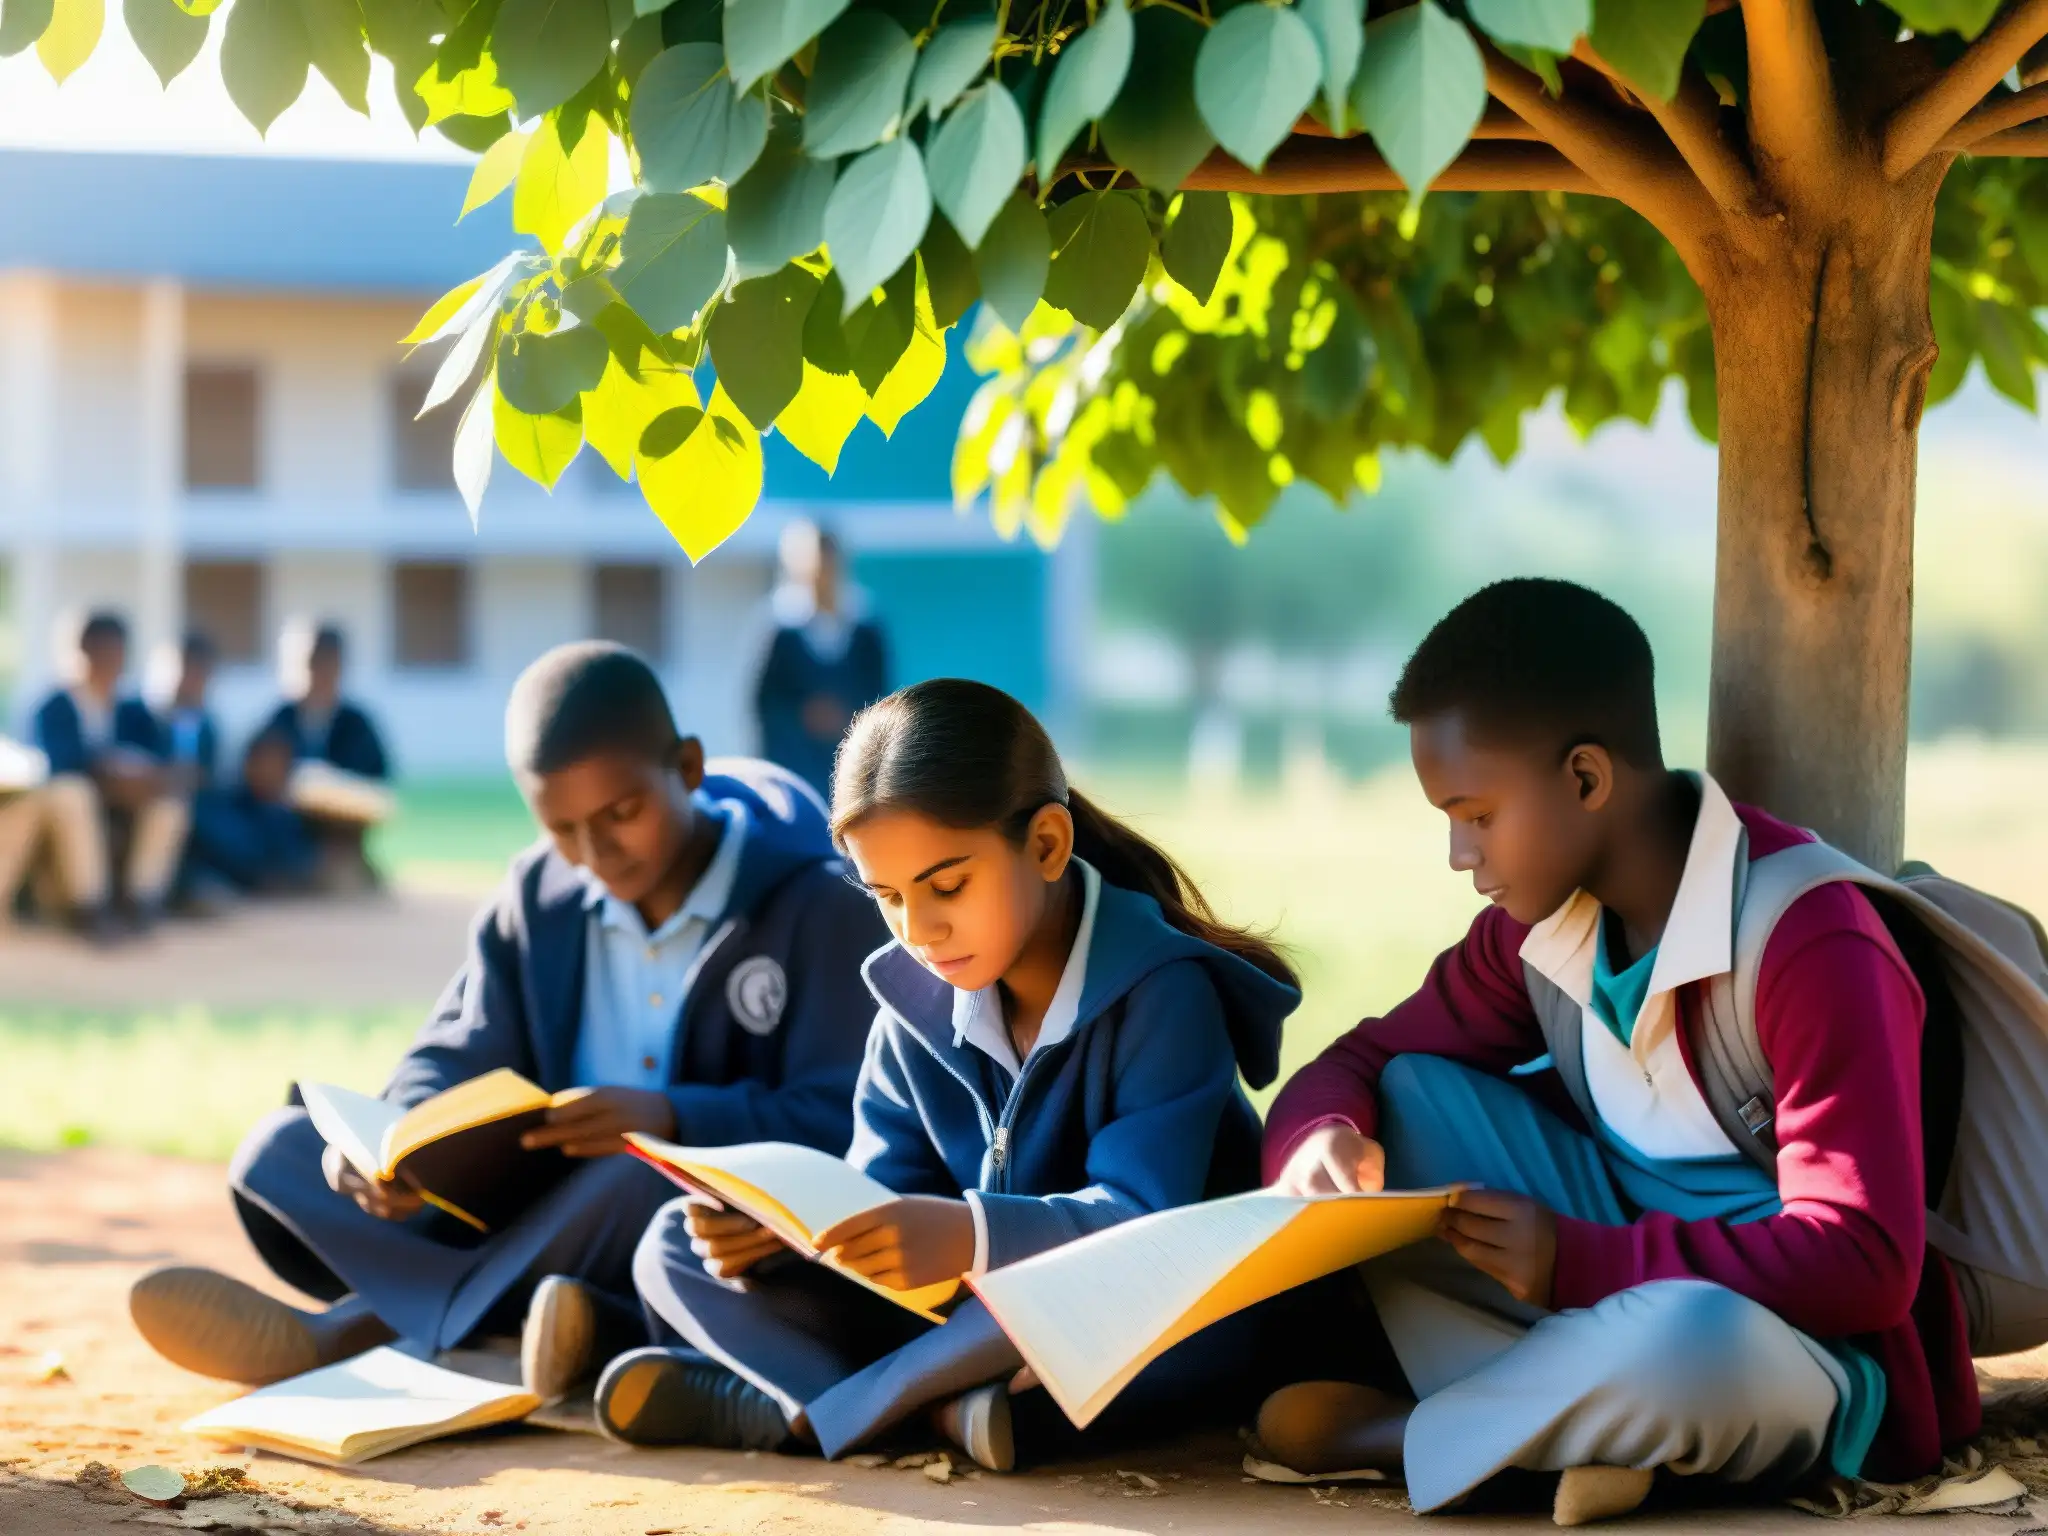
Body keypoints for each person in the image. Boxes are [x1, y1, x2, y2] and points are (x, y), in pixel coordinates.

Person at [1253, 579, 1972, 1525]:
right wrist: (1322, 1133)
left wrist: (1581, 1265)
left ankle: (1406, 1438)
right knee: (1408, 1096)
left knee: (1689, 1341)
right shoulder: (1534, 937)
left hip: (1795, 1348)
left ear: (1586, 780)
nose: (1461, 856)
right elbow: (1362, 1056)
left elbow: (1866, 1262)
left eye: (1475, 814)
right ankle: (1584, 1438)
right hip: (1605, 1284)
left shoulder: (1811, 940)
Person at [129, 642, 888, 1402]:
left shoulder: (814, 907)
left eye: (621, 813)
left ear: (687, 768)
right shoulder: (540, 897)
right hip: (523, 1207)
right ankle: (561, 1322)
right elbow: (459, 1046)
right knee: (279, 1152)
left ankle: (362, 1330)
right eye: (562, 829)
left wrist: (674, 1116)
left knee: (640, 1167)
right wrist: (395, 1137)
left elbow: (841, 1120)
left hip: (687, 1220)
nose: (596, 853)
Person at [608, 678, 1328, 1472]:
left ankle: (814, 1416)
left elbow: (1141, 1222)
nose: (919, 930)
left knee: (1033, 1321)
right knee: (670, 1244)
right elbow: (883, 1196)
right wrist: (796, 1241)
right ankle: (942, 1410)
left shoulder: (1164, 993)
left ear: (1048, 845)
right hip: (967, 1320)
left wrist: (972, 1235)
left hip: (1145, 1309)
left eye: (947, 886)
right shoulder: (910, 1003)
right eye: (886, 897)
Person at [28, 611, 190, 939]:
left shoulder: (133, 709)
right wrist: (105, 774)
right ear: (84, 651)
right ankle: (89, 906)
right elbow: (57, 762)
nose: (110, 658)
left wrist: (144, 780)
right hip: (71, 803)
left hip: (127, 803)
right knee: (73, 793)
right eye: (102, 649)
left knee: (170, 805)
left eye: (116, 649)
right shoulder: (56, 705)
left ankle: (141, 899)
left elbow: (157, 758)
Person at [754, 522, 889, 800]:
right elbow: (765, 702)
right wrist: (804, 715)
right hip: (797, 762)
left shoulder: (865, 627)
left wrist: (846, 715)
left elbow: (881, 694)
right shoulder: (781, 629)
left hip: (852, 758)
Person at [262, 621, 393, 892]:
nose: (320, 672)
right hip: (287, 832)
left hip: (341, 831)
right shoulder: (280, 721)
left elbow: (378, 785)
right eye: (313, 662)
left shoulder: (357, 724)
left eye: (328, 663)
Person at [183, 728, 318, 896]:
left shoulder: (290, 818)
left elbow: (301, 862)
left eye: (278, 765)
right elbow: (236, 854)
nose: (269, 772)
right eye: (263, 763)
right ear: (248, 764)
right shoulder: (220, 805)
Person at [158, 631, 223, 793]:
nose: (196, 677)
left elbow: (209, 774)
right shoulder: (157, 718)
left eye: (202, 670)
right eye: (191, 667)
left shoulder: (210, 726)